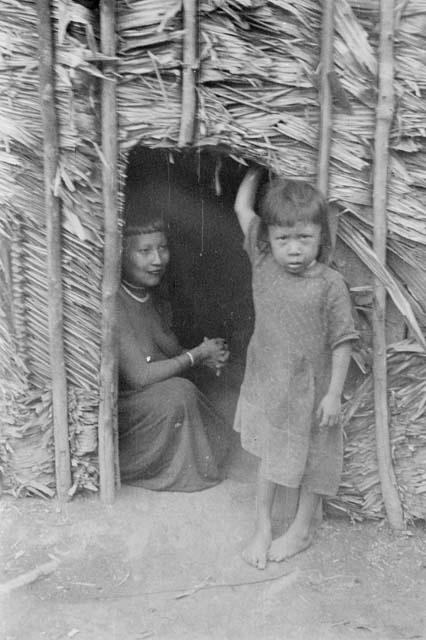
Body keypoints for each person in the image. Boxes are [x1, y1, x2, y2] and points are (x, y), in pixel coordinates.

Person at [233, 168, 358, 569]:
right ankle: (262, 527)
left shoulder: (330, 284)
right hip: (269, 380)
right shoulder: (262, 261)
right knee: (269, 453)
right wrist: (256, 166)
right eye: (283, 238)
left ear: (321, 236)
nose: (293, 249)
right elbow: (241, 206)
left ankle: (302, 529)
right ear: (267, 238)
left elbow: (343, 342)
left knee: (315, 458)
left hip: (312, 388)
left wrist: (334, 394)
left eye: (304, 238)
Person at [118, 217, 230, 492]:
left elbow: (170, 352)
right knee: (180, 392)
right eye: (144, 251)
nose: (158, 259)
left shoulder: (153, 297)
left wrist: (207, 356)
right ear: (121, 255)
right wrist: (196, 355)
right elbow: (141, 376)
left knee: (223, 385)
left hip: (154, 397)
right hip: (126, 408)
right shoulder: (115, 304)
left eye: (162, 248)